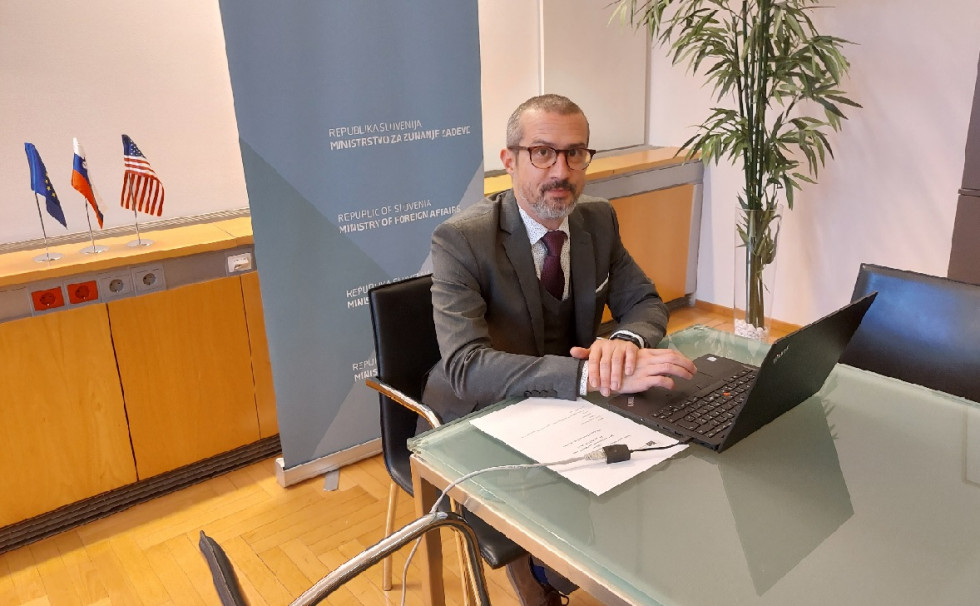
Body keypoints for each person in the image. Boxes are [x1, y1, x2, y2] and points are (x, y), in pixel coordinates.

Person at [423, 94, 697, 605]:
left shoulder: (597, 220)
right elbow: (464, 365)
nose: (562, 170)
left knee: (658, 462)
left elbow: (642, 301)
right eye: (542, 153)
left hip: (569, 407)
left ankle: (582, 570)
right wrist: (590, 376)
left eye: (576, 154)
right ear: (509, 161)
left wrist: (622, 342)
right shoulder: (461, 241)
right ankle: (540, 583)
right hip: (482, 412)